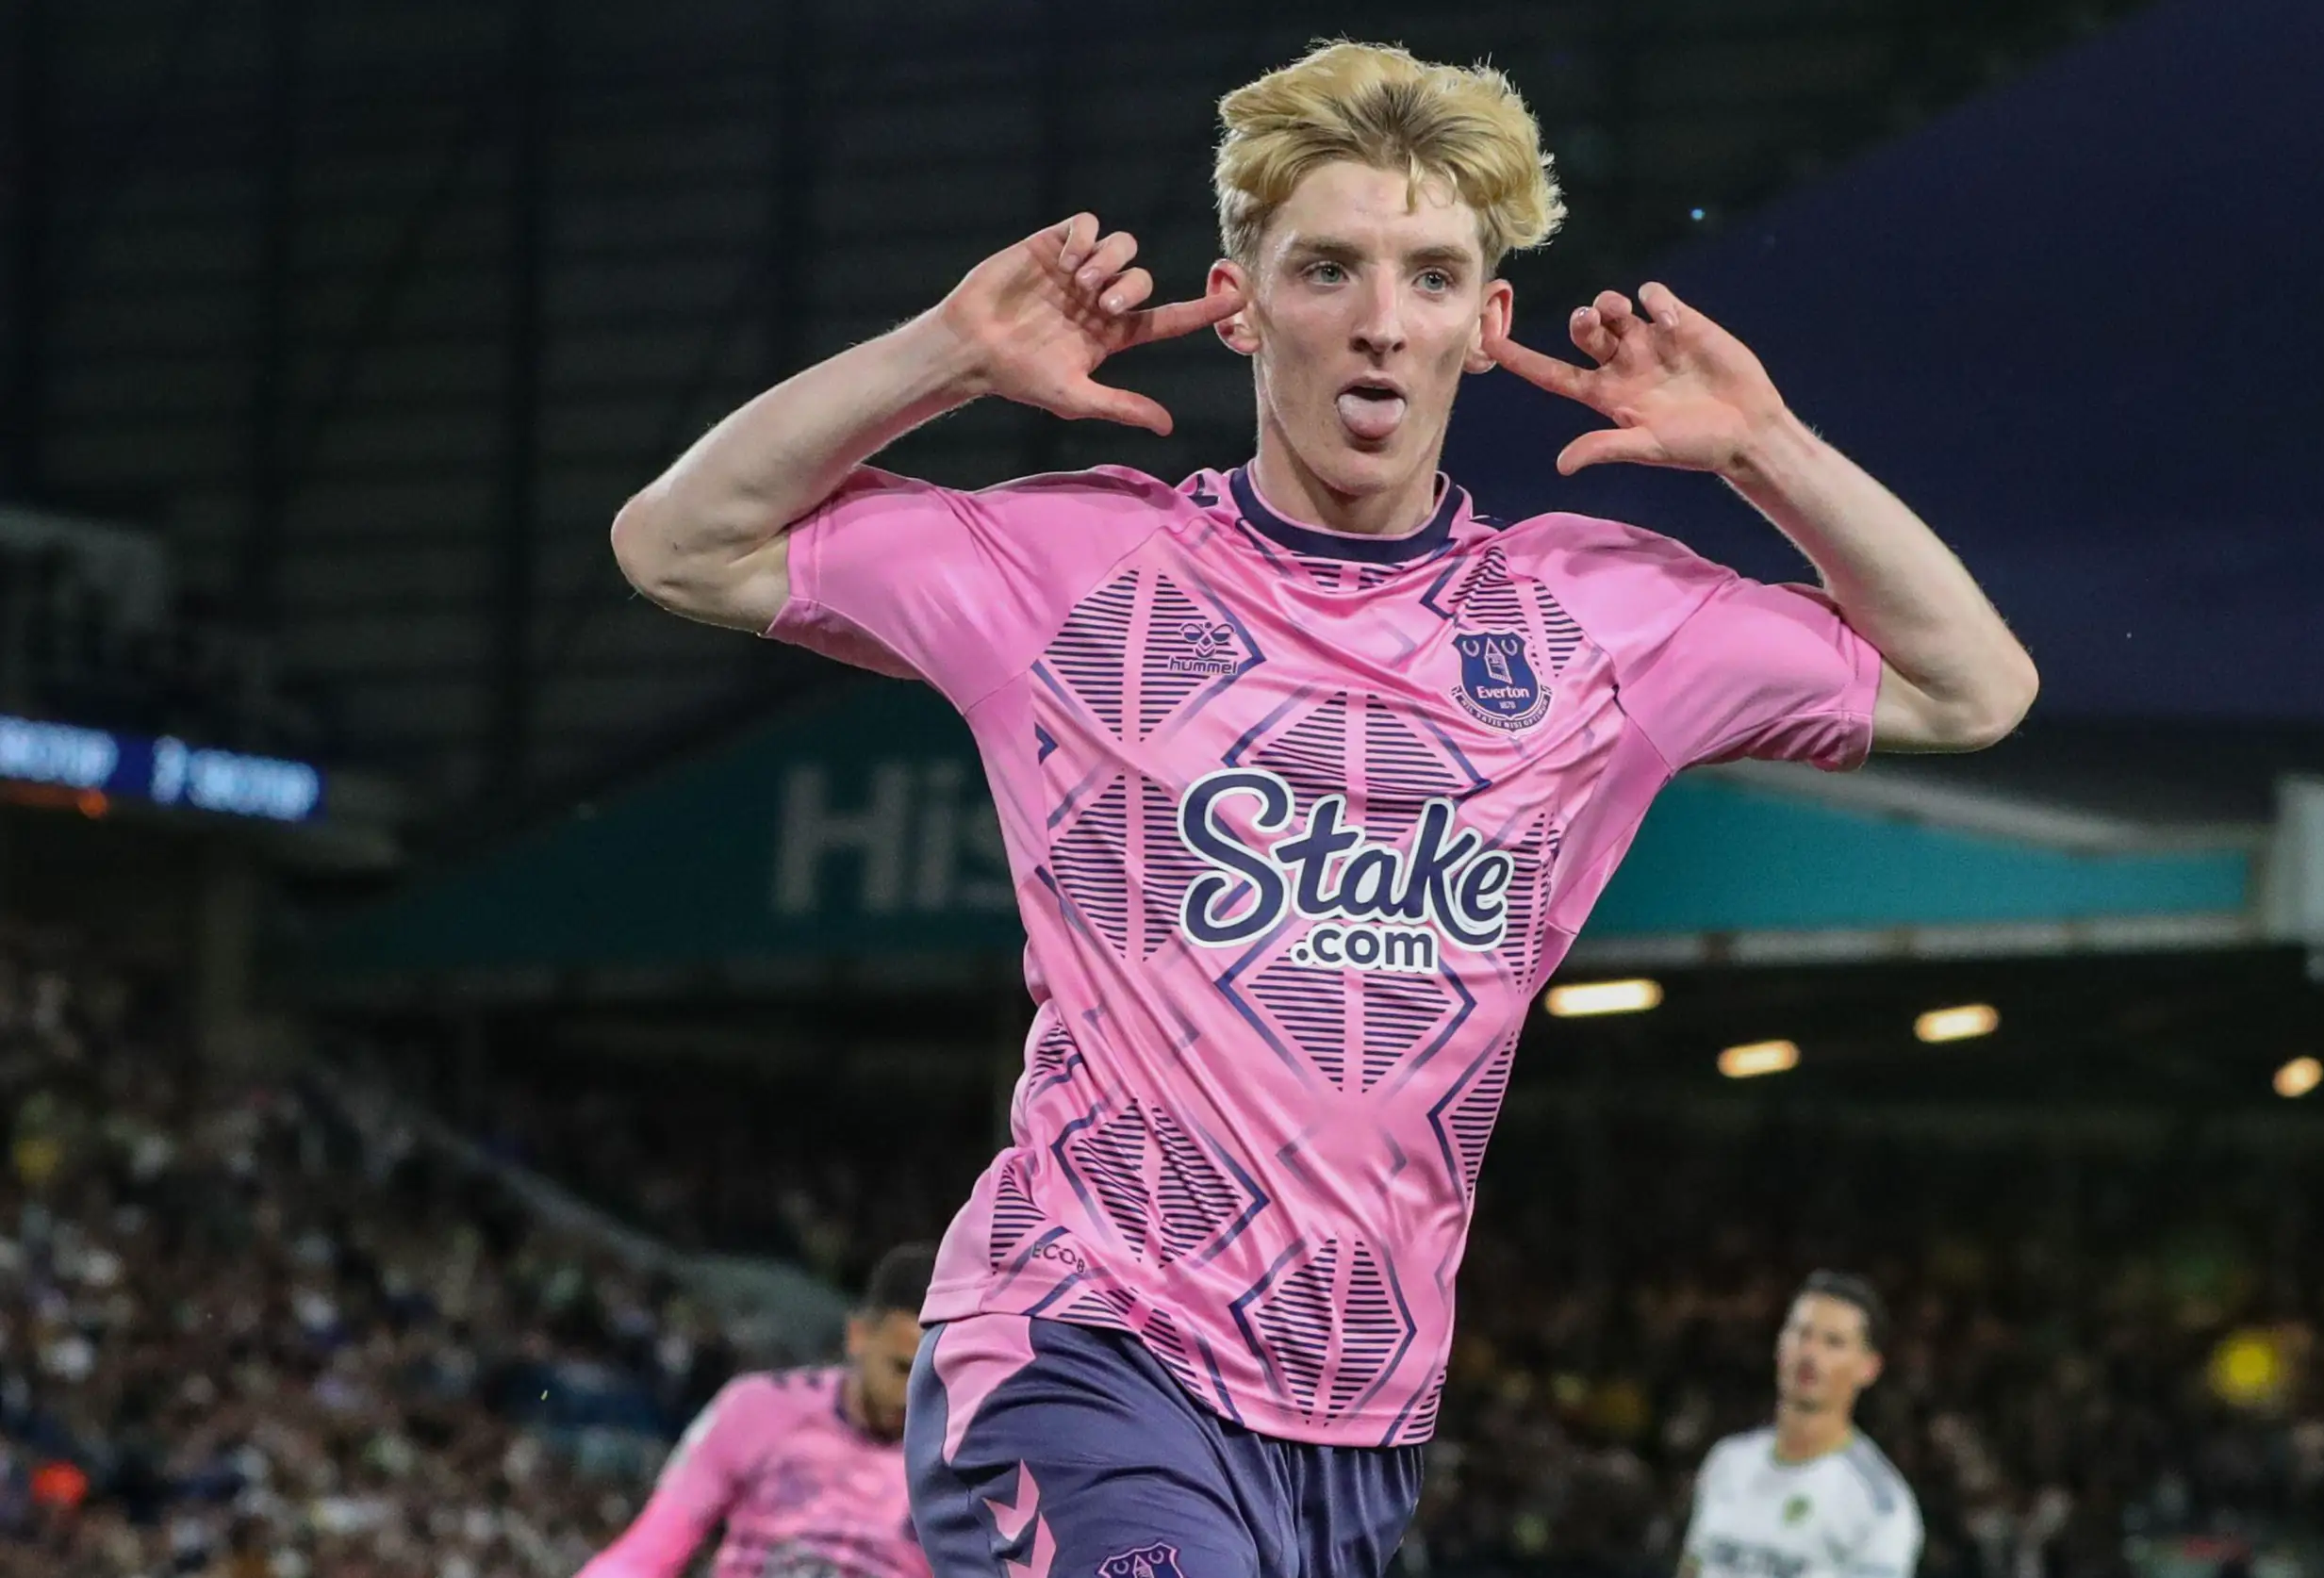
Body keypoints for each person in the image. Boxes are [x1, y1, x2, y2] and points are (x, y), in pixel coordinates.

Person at [609, 38, 2034, 1578]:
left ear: (1486, 324)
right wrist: (944, 355)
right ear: (1237, 302)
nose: (1376, 322)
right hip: (1078, 1351)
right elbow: (682, 545)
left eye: (1429, 276)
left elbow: (1972, 688)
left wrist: (1767, 449)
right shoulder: (1079, 576)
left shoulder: (1600, 623)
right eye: (1326, 268)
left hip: (1355, 1427)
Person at [575, 1244, 935, 1578]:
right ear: (858, 1335)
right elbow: (645, 1554)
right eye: (901, 1369)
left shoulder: (962, 1466)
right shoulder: (757, 1409)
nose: (911, 1398)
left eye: (933, 1380)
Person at [1681, 1273, 1922, 1578]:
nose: (1810, 1353)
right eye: (1801, 1333)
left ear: (1868, 1367)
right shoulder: (1727, 1461)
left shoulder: (1879, 1503)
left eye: (1833, 1342)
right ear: (1779, 1344)